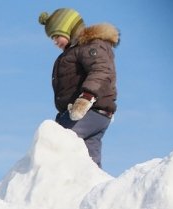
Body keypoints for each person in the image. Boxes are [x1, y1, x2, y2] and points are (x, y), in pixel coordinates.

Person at [39, 8, 120, 168]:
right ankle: (94, 189)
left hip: (88, 111)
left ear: (68, 29)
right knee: (88, 163)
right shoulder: (76, 50)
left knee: (55, 142)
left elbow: (102, 69)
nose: (55, 42)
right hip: (95, 115)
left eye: (56, 36)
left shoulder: (89, 47)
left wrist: (86, 98)